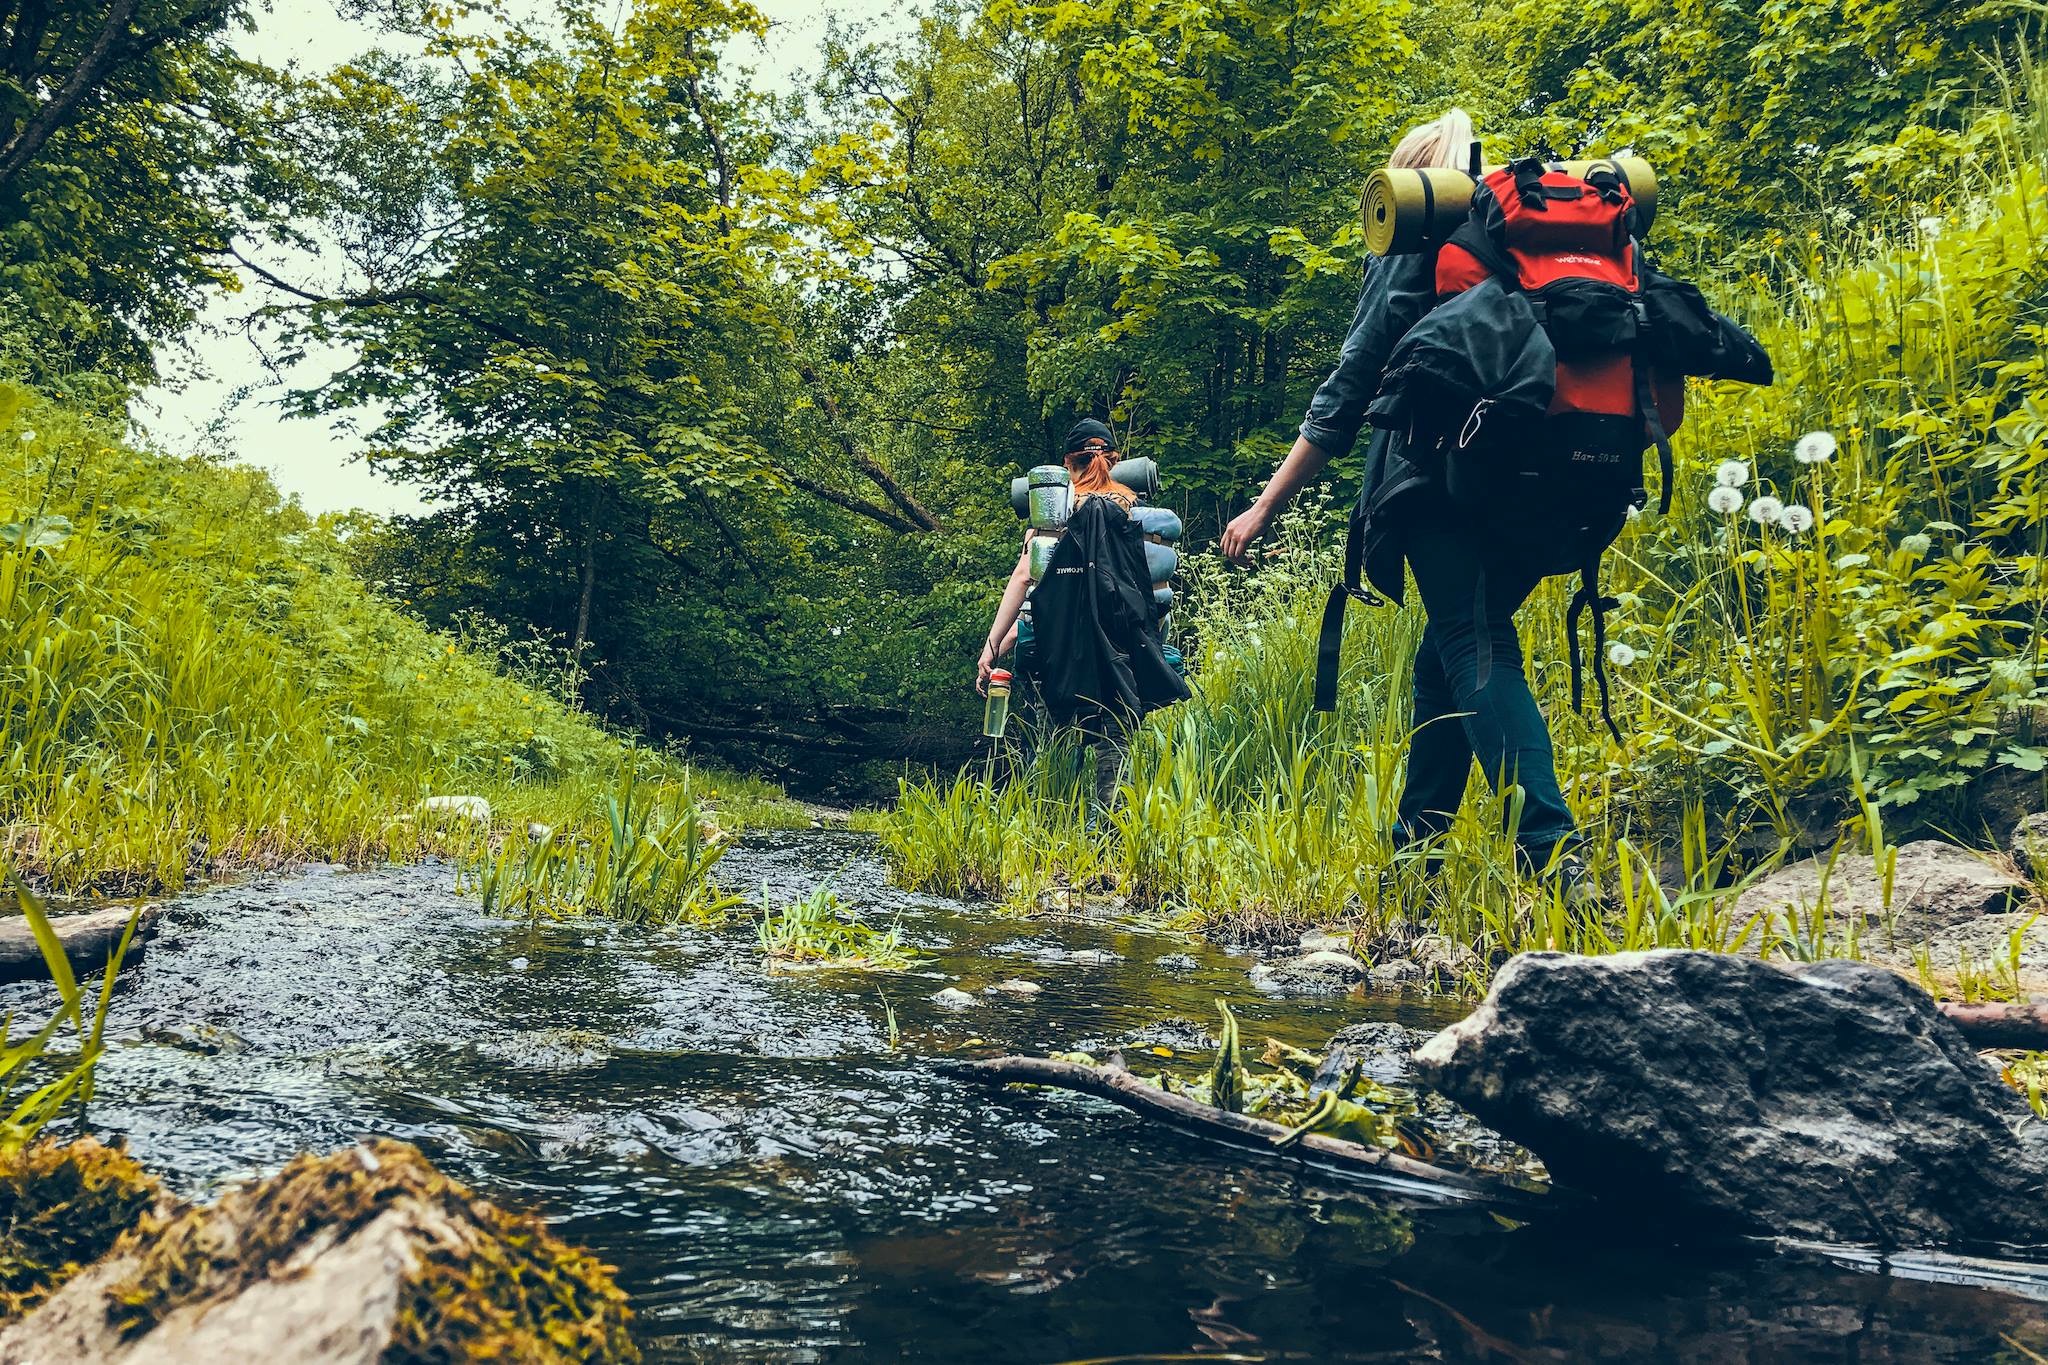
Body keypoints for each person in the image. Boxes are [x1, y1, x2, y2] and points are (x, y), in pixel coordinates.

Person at [1220, 109, 1585, 883]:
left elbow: (1351, 382)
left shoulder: (1421, 235)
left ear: (1410, 180)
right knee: (1443, 660)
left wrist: (1265, 504)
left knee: (1475, 643)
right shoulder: (1520, 235)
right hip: (1553, 476)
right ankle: (1415, 863)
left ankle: (1552, 853)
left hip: (1443, 478)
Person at [979, 419, 1175, 812]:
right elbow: (1155, 597)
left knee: (1050, 745)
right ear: (1115, 460)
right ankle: (1113, 833)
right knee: (1115, 746)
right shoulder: (1141, 517)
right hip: (1120, 657)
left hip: (1054, 657)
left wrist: (993, 646)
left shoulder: (1052, 520)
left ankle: (1050, 827)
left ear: (1068, 464)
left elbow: (1026, 584)